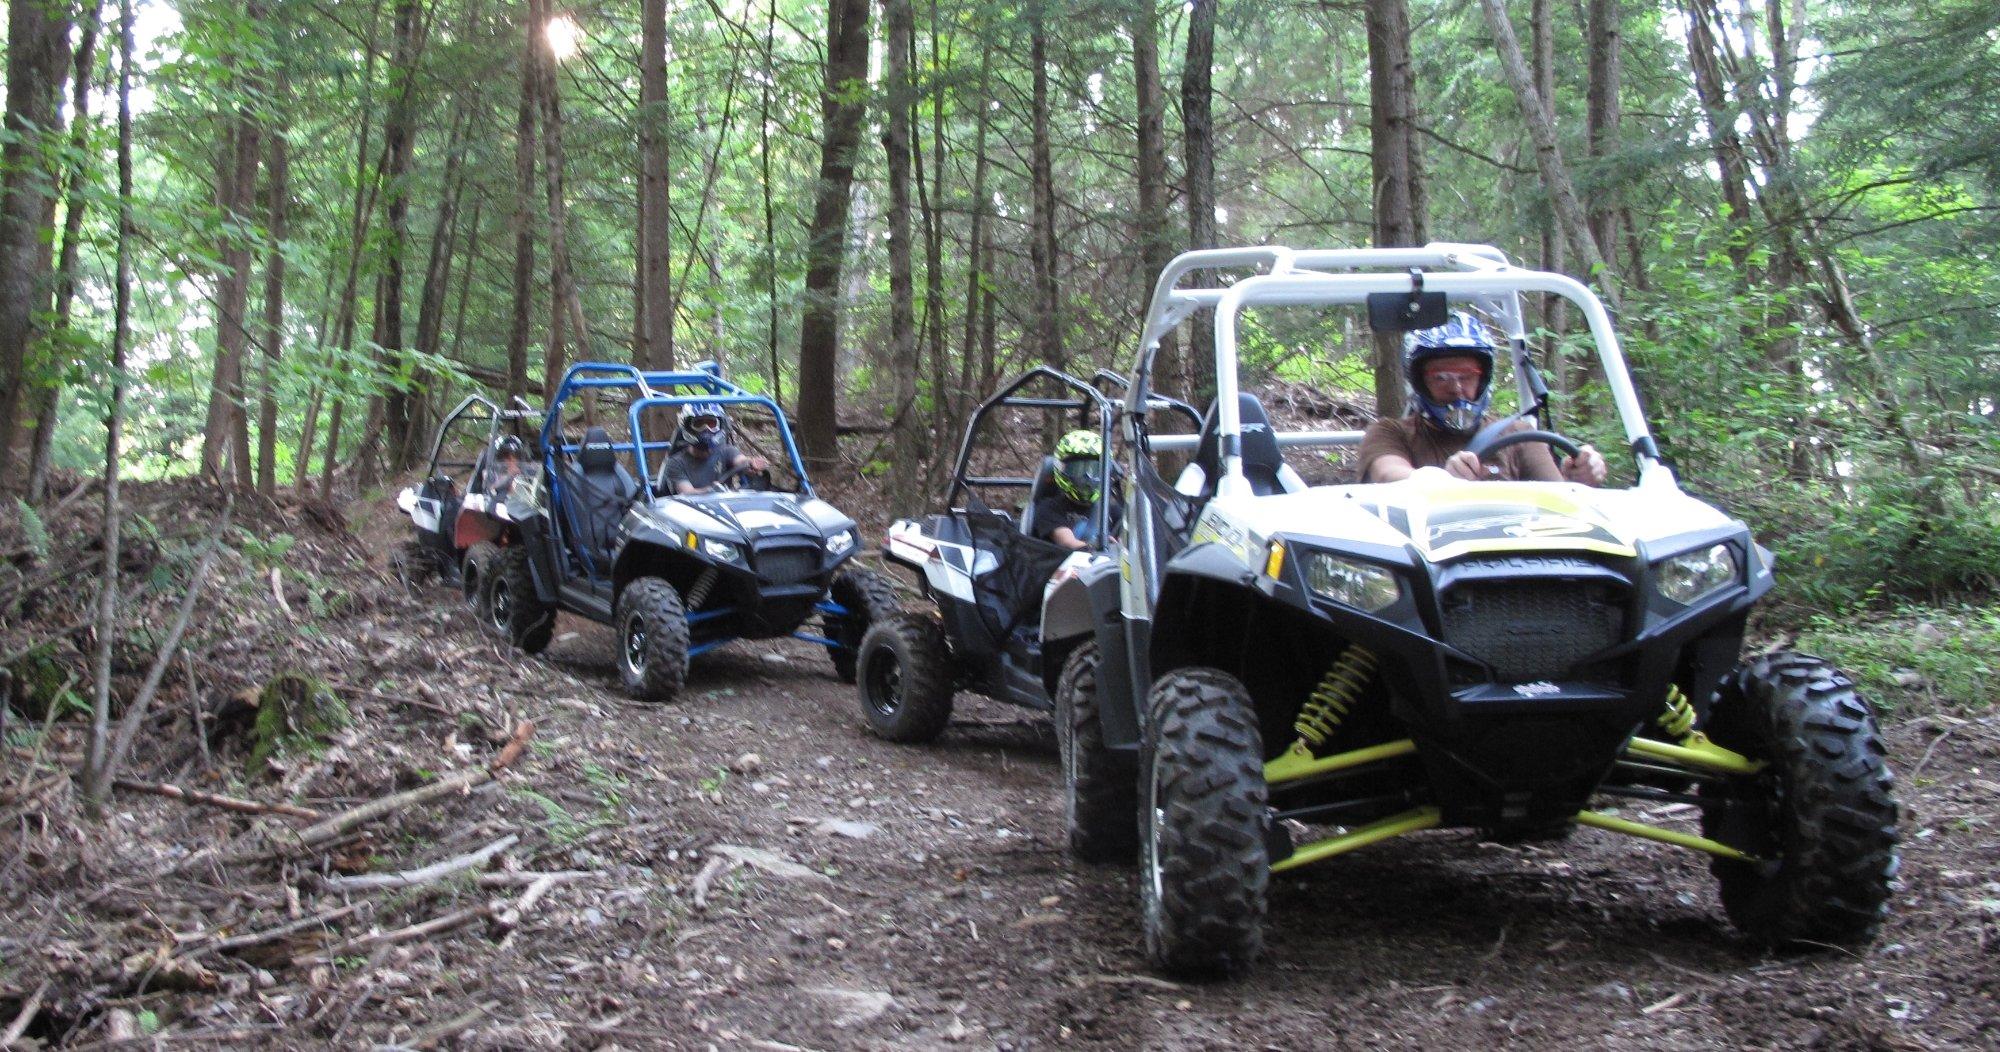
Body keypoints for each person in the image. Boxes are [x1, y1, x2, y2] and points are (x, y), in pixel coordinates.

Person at [1358, 311, 1608, 486]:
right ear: (1421, 382)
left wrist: (1579, 478)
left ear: (1483, 378)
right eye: (1441, 377)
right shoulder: (1390, 432)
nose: (1456, 388)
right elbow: (1388, 474)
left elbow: (1557, 502)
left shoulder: (1519, 434)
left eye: (1467, 376)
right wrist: (1437, 481)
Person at [1033, 429, 1121, 551]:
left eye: (1094, 469)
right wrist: (1097, 546)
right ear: (1061, 469)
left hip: (1107, 568)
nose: (1087, 477)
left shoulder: (1111, 510)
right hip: (1065, 567)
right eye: (1077, 469)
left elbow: (1130, 539)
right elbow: (1067, 543)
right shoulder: (1049, 508)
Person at [663, 402, 767, 495]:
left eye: (711, 424)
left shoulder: (727, 451)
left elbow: (741, 461)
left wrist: (752, 464)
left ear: (720, 425)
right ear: (688, 427)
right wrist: (714, 490)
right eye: (699, 424)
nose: (706, 429)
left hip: (727, 506)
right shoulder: (675, 463)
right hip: (692, 511)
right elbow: (687, 493)